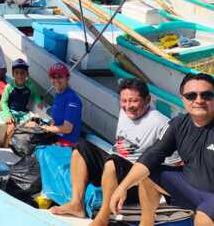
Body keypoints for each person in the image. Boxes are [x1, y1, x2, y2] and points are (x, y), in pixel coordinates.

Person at [110, 73, 214, 226]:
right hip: (192, 188)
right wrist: (122, 187)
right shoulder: (178, 124)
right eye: (191, 96)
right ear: (183, 99)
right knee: (148, 176)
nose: (198, 100)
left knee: (203, 219)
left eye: (206, 95)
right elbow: (152, 155)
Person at [50, 79, 175, 225]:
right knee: (82, 147)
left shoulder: (160, 122)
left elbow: (170, 161)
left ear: (147, 100)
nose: (128, 106)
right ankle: (76, 204)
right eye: (124, 101)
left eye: (134, 101)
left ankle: (102, 218)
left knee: (112, 163)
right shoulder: (124, 111)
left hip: (134, 184)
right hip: (114, 168)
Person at [28, 62, 81, 146]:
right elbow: (54, 121)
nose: (56, 80)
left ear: (67, 78)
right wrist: (40, 124)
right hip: (55, 137)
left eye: (60, 77)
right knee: (28, 127)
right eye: (53, 77)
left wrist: (43, 128)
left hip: (66, 143)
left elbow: (67, 129)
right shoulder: (58, 95)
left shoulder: (72, 100)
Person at [0, 58, 44, 148]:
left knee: (33, 125)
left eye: (22, 73)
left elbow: (35, 95)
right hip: (10, 112)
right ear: (13, 74)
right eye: (17, 73)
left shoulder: (30, 85)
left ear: (27, 74)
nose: (20, 75)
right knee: (11, 127)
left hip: (23, 113)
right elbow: (3, 102)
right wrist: (8, 115)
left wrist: (39, 101)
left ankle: (20, 147)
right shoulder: (9, 87)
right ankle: (5, 146)